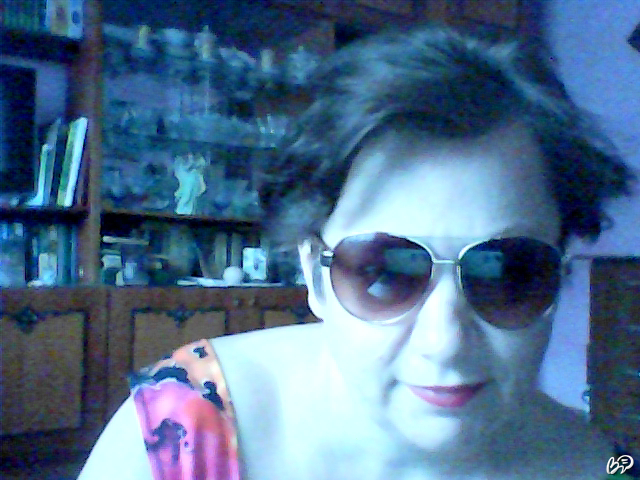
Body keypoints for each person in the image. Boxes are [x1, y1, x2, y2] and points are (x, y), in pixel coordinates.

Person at [79, 23, 637, 480]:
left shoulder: (602, 465)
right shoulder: (177, 435)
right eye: (385, 273)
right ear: (314, 277)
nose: (445, 342)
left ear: (559, 276)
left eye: (506, 273)